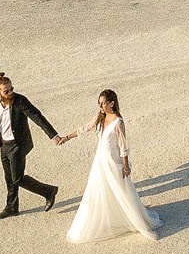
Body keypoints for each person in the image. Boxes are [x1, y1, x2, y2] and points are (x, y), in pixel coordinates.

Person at [66, 89, 162, 243]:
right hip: (100, 162)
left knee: (121, 191)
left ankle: (133, 218)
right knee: (97, 190)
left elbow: (123, 147)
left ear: (112, 103)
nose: (101, 106)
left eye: (103, 103)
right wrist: (66, 137)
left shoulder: (119, 122)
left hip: (112, 162)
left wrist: (126, 166)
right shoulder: (100, 117)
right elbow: (84, 129)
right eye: (100, 103)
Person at [0, 72, 65, 220]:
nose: (11, 93)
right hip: (4, 144)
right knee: (9, 177)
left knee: (17, 178)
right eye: (6, 91)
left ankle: (48, 191)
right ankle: (12, 207)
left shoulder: (20, 101)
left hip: (18, 145)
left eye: (12, 89)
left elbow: (37, 117)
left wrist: (53, 135)